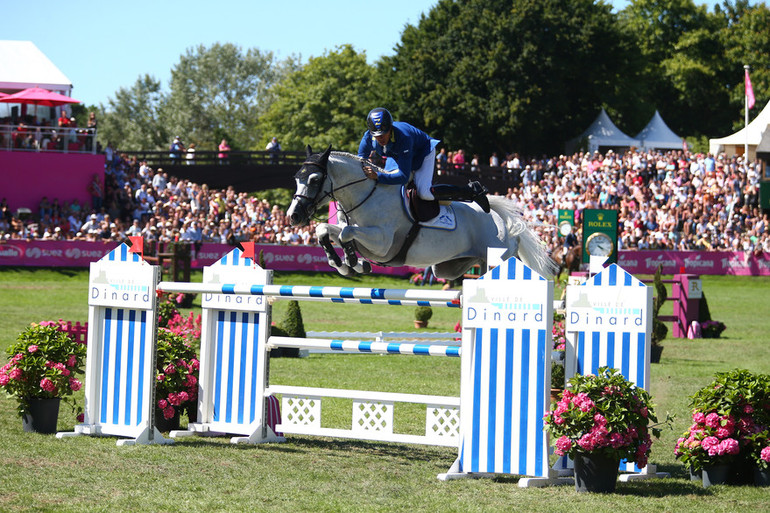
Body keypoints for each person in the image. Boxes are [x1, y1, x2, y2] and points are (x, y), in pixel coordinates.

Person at [357, 108, 489, 213]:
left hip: (422, 152)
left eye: (384, 133)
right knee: (386, 186)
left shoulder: (404, 137)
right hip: (397, 156)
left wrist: (377, 176)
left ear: (390, 128)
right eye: (377, 135)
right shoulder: (368, 137)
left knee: (424, 193)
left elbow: (403, 177)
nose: (380, 138)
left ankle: (470, 190)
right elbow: (360, 160)